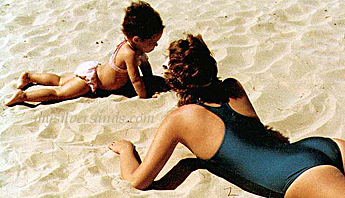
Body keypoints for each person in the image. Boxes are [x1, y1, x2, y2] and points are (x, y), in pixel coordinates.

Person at [108, 34, 345, 198]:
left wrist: (126, 150)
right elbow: (252, 139)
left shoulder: (180, 119)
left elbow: (137, 181)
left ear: (176, 81)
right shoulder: (233, 87)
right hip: (320, 146)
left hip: (296, 175)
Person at [6, 1, 165, 106]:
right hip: (91, 81)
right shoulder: (129, 53)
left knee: (60, 80)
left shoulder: (136, 48)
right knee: (59, 92)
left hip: (92, 69)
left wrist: (150, 81)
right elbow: (136, 79)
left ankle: (30, 77)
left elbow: (145, 67)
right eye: (152, 42)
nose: (156, 45)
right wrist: (145, 98)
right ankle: (24, 96)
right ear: (137, 39)